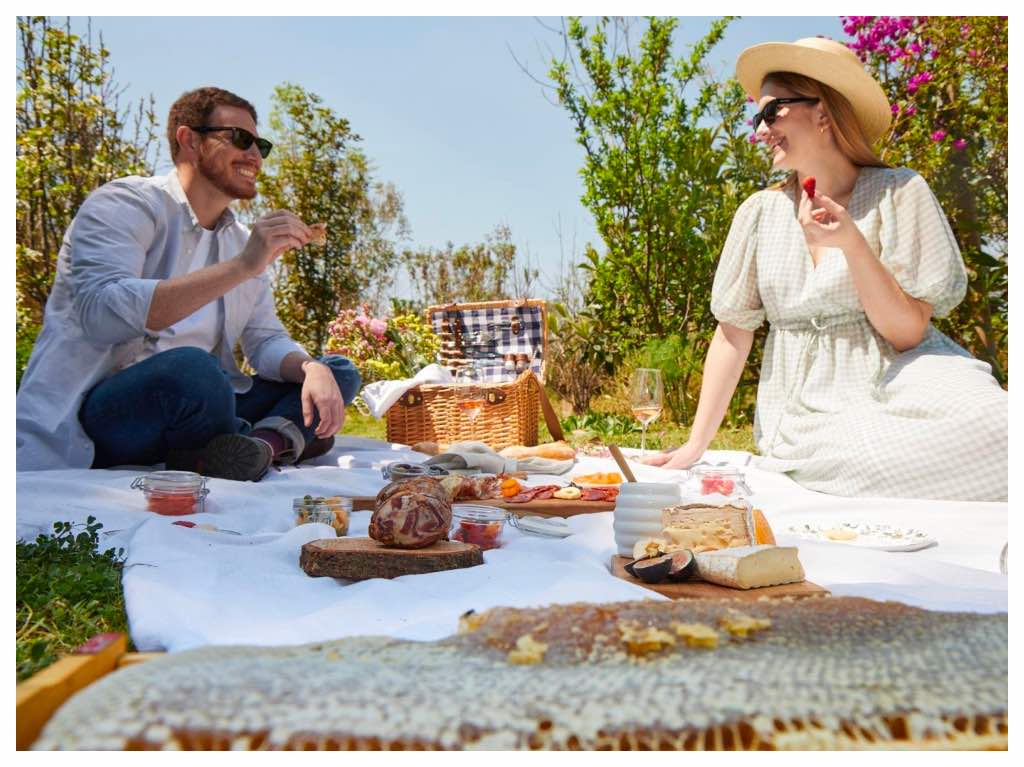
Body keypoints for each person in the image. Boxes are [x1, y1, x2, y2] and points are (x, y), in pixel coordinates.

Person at [642, 38, 1007, 502]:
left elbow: (908, 333)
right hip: (811, 403)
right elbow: (733, 333)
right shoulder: (759, 213)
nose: (760, 131)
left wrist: (852, 244)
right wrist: (696, 444)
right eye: (757, 118)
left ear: (822, 112)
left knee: (1003, 426)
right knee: (870, 456)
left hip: (908, 373)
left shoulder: (901, 192)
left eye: (771, 113)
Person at [16, 86, 361, 481]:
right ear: (189, 140)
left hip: (206, 405)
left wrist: (310, 367)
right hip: (111, 412)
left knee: (338, 372)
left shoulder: (238, 240)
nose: (254, 156)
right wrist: (244, 265)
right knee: (191, 369)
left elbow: (264, 339)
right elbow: (101, 313)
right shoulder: (124, 204)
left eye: (260, 145)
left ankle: (256, 447)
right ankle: (280, 440)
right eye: (240, 139)